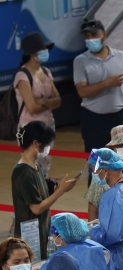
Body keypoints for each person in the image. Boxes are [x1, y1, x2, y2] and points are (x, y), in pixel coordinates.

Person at [11, 122, 78, 256]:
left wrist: (59, 188)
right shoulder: (23, 173)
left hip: (40, 230)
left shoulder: (35, 166)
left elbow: (42, 192)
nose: (47, 148)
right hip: (29, 234)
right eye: (46, 145)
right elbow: (36, 208)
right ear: (36, 144)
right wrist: (61, 191)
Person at [74, 18, 123, 152]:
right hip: (93, 119)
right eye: (87, 36)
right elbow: (82, 92)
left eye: (94, 35)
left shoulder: (121, 57)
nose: (90, 39)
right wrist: (106, 83)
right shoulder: (80, 61)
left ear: (104, 35)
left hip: (120, 117)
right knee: (97, 164)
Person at [39, 213, 118, 270]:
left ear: (60, 235)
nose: (52, 236)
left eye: (52, 233)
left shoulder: (62, 256)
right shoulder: (99, 248)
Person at [15, 32, 59, 177]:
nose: (45, 52)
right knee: (32, 167)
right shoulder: (23, 75)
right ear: (33, 53)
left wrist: (43, 101)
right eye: (41, 49)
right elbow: (32, 108)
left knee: (45, 166)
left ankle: (42, 194)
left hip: (47, 127)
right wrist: (49, 103)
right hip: (30, 130)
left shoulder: (46, 72)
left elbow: (58, 100)